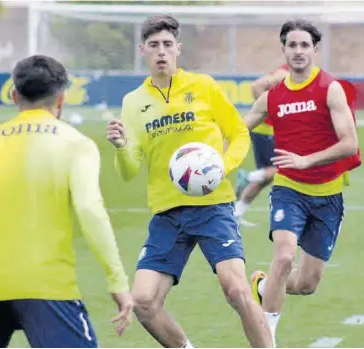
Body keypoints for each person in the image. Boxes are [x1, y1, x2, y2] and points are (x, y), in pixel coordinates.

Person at [0, 55, 133, 348]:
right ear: (62, 99)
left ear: (13, 96)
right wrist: (117, 281)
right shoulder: (76, 144)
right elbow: (89, 209)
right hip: (47, 288)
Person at [106, 14, 273, 348]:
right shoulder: (133, 103)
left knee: (237, 291)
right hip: (167, 213)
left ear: (178, 48)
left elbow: (238, 132)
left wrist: (222, 167)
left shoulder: (203, 86)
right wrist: (122, 146)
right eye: (154, 45)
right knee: (143, 302)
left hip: (212, 206)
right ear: (143, 50)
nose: (161, 52)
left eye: (168, 44)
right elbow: (127, 171)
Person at [243, 19, 361, 347]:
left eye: (304, 45)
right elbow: (240, 129)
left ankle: (265, 288)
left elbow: (349, 143)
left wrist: (307, 159)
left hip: (328, 194)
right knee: (283, 257)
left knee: (307, 284)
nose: (298, 51)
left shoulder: (330, 88)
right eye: (292, 45)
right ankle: (267, 339)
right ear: (283, 50)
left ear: (315, 50)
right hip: (288, 189)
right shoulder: (273, 97)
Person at [234, 64, 290, 227]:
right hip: (266, 131)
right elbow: (256, 85)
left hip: (267, 131)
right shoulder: (285, 74)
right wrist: (272, 109)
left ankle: (236, 214)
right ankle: (247, 177)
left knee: (265, 177)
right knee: (283, 168)